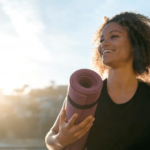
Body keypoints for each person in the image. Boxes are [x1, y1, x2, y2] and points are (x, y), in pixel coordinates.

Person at [45, 11, 150, 150]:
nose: (104, 44)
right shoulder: (87, 94)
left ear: (135, 43)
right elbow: (51, 137)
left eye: (114, 36)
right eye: (101, 40)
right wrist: (60, 140)